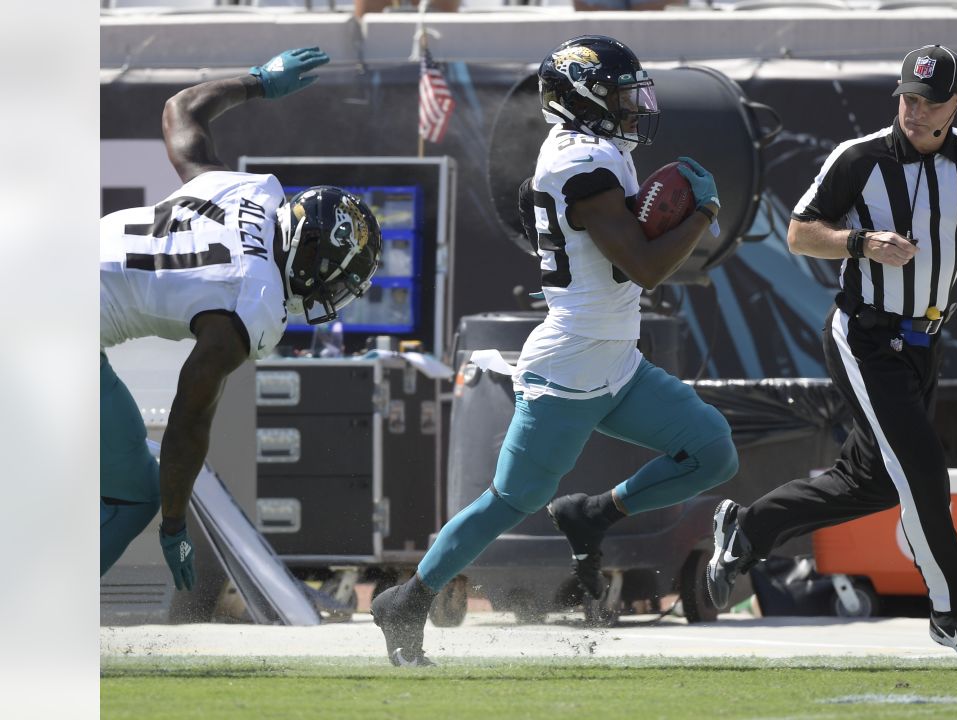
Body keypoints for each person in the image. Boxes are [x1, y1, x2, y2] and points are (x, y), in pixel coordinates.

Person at [372, 34, 737, 667]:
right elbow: (646, 265)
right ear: (584, 99)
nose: (634, 107)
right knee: (510, 502)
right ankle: (406, 601)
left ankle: (595, 513)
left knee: (712, 452)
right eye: (622, 96)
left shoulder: (591, 152)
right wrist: (701, 214)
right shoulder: (581, 162)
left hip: (615, 359)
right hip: (569, 364)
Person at [704, 44, 957, 658]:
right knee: (922, 474)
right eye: (907, 99)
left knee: (874, 483)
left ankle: (748, 528)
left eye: (929, 102)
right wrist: (861, 242)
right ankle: (954, 612)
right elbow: (801, 234)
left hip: (926, 339)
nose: (914, 112)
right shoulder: (858, 159)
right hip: (865, 336)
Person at [100, 47, 383, 591]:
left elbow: (182, 109)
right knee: (136, 493)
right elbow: (187, 420)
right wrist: (175, 523)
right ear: (314, 262)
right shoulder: (251, 303)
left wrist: (257, 81)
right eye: (338, 280)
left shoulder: (245, 192)